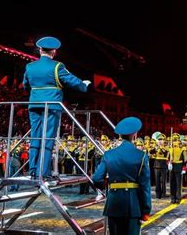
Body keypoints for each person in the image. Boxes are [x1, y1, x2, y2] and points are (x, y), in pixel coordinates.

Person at [23, 36, 90, 179]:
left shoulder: (29, 66)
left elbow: (25, 85)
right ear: (54, 52)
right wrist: (84, 85)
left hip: (34, 104)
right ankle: (43, 172)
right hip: (52, 105)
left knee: (35, 136)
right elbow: (71, 80)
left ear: (40, 50)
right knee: (47, 138)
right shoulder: (57, 66)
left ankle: (33, 169)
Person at [92, 117, 151, 235]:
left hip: (113, 204)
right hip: (133, 206)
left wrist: (107, 184)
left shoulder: (108, 154)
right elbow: (145, 186)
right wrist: (145, 209)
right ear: (135, 135)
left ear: (120, 136)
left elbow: (96, 179)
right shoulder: (142, 155)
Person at [168, 133, 187, 204]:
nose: (175, 141)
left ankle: (178, 198)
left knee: (178, 183)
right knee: (172, 183)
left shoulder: (182, 148)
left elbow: (185, 159)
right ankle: (172, 198)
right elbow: (167, 158)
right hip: (172, 166)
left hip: (179, 166)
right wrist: (169, 164)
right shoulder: (170, 148)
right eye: (174, 139)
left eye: (176, 139)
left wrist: (184, 168)